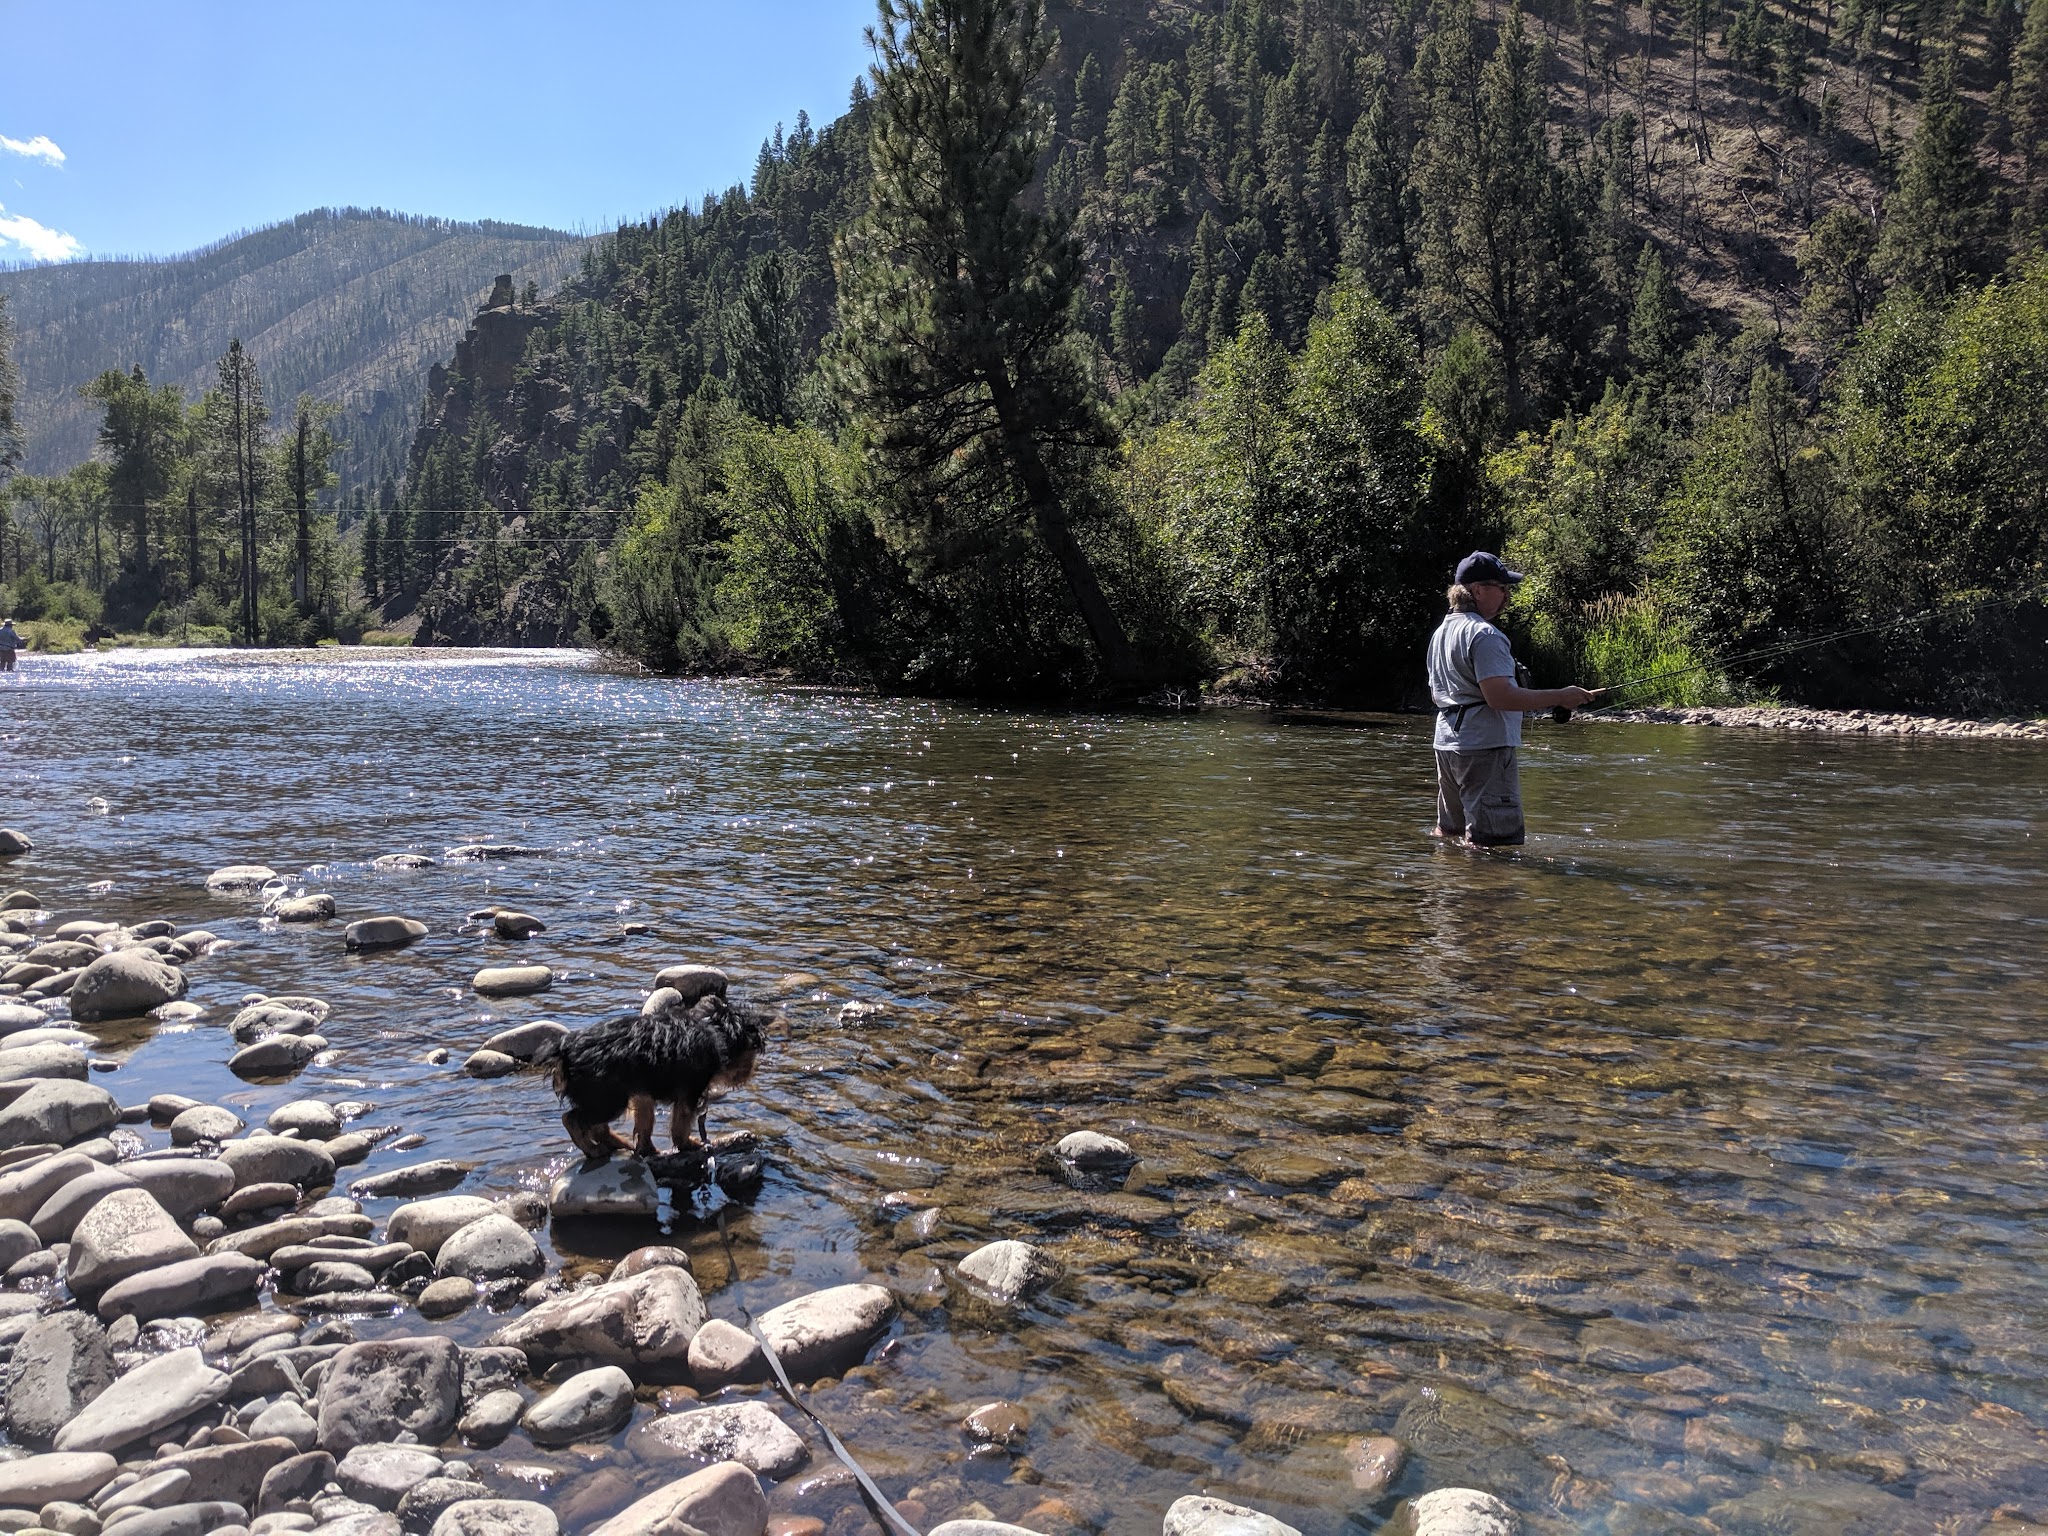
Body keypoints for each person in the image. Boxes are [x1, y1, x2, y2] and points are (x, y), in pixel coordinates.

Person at [1426, 552, 1597, 846]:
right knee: (1495, 842)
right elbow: (1500, 697)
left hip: (1447, 743)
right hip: (1484, 747)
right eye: (1501, 588)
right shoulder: (1484, 634)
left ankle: (1449, 887)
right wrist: (1563, 696)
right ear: (1477, 590)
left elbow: (1437, 693)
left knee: (1450, 834)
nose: (1507, 595)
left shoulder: (1442, 632)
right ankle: (1487, 891)